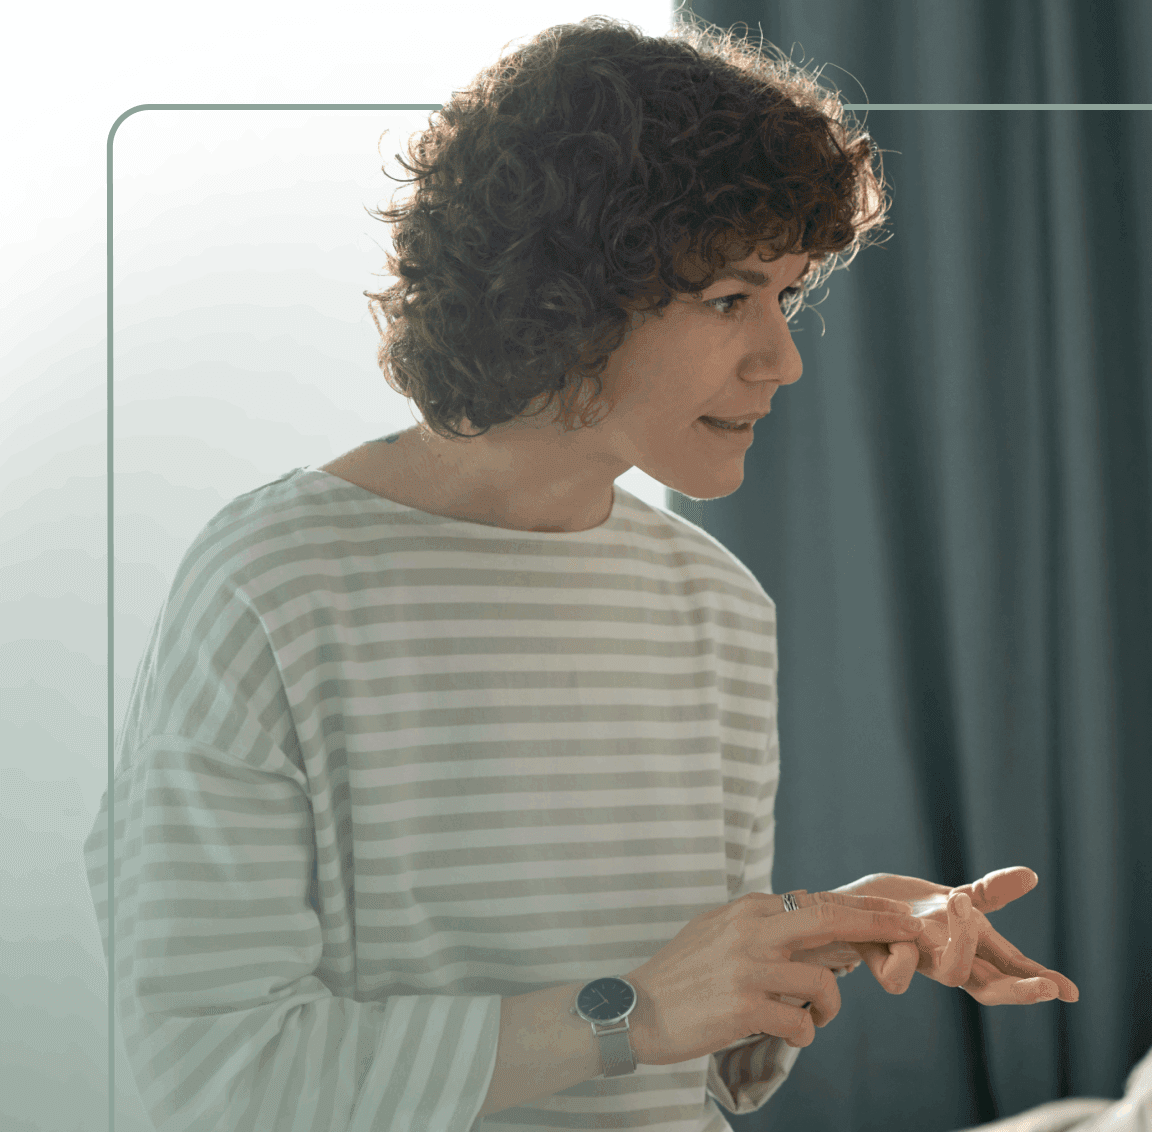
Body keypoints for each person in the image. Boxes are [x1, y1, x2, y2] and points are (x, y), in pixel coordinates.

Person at [84, 17, 1074, 1132]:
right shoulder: (272, 589)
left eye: (786, 298)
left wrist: (798, 943)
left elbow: (689, 1073)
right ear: (564, 295)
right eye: (729, 299)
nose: (784, 358)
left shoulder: (716, 607)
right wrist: (632, 1012)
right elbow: (215, 1079)